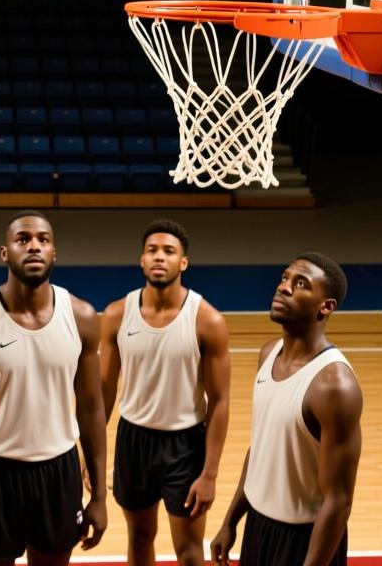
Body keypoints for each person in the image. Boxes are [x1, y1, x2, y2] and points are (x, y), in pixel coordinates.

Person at [0, 211, 108, 565]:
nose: (34, 246)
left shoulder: (82, 318)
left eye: (43, 240)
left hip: (58, 471)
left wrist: (100, 497)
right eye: (23, 239)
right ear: (5, 253)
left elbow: (91, 409)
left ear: (54, 253)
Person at [211, 252, 363, 566]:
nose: (284, 288)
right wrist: (231, 519)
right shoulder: (268, 353)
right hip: (259, 527)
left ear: (326, 306)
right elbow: (262, 448)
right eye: (284, 278)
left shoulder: (334, 386)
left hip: (307, 542)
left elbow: (339, 500)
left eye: (301, 283)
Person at [99, 220, 231, 565]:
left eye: (169, 251)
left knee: (188, 552)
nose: (160, 257)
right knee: (139, 538)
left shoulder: (207, 321)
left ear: (183, 263)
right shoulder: (115, 315)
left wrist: (210, 474)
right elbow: (104, 391)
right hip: (133, 441)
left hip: (185, 445)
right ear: (141, 261)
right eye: (152, 250)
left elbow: (219, 402)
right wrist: (89, 451)